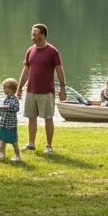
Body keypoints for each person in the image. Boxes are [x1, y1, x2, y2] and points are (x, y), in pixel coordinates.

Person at [18, 23, 66, 154]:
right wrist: (19, 87)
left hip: (46, 91)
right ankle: (31, 143)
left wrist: (62, 88)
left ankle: (49, 146)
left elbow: (59, 70)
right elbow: (26, 70)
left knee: (48, 118)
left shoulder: (52, 51)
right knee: (31, 118)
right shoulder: (30, 50)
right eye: (32, 33)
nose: (32, 36)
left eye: (35, 33)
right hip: (31, 90)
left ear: (42, 35)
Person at [0, 78, 22, 162]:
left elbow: (16, 108)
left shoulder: (14, 99)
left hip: (10, 124)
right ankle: (2, 154)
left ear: (10, 89)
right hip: (4, 123)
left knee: (13, 141)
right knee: (2, 139)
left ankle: (17, 156)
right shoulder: (7, 98)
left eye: (4, 88)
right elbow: (4, 110)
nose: (3, 90)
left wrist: (8, 107)